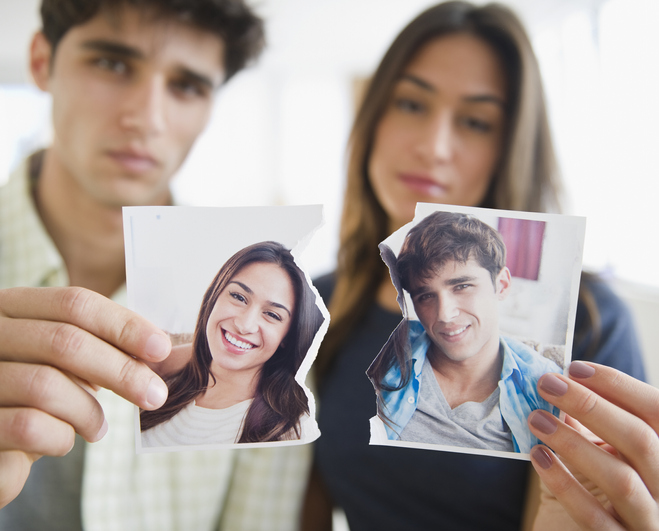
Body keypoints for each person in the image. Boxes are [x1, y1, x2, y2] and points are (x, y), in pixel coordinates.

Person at [304, 1, 647, 530]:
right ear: (373, 115)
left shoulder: (590, 324)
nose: (434, 147)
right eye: (412, 104)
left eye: (475, 121)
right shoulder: (321, 303)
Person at [0, 2, 310, 530]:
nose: (147, 117)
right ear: (41, 61)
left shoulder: (269, 323)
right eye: (113, 64)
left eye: (187, 86)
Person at [368, 211, 561, 454]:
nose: (445, 315)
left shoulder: (548, 388)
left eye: (462, 286)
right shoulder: (384, 352)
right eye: (426, 296)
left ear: (501, 285)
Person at [140, 241, 323, 447]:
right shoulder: (163, 379)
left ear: (287, 338)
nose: (245, 325)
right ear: (215, 296)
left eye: (272, 314)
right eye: (238, 297)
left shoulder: (288, 430)